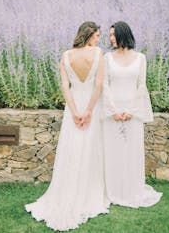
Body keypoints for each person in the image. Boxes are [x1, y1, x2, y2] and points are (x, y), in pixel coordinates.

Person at [24, 21, 110, 231]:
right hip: (91, 107)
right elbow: (98, 85)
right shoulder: (98, 54)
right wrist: (88, 111)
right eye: (97, 35)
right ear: (90, 36)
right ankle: (88, 193)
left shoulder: (65, 56)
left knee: (71, 150)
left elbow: (65, 87)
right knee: (90, 149)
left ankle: (67, 190)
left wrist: (75, 112)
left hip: (73, 110)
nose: (99, 39)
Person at [102, 21, 163, 208]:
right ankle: (113, 190)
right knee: (113, 153)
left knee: (132, 153)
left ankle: (132, 190)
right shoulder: (107, 58)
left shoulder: (141, 58)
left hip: (133, 113)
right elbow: (104, 84)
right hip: (112, 113)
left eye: (113, 35)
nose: (110, 38)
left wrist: (131, 111)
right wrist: (113, 110)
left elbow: (141, 86)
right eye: (110, 35)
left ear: (123, 35)